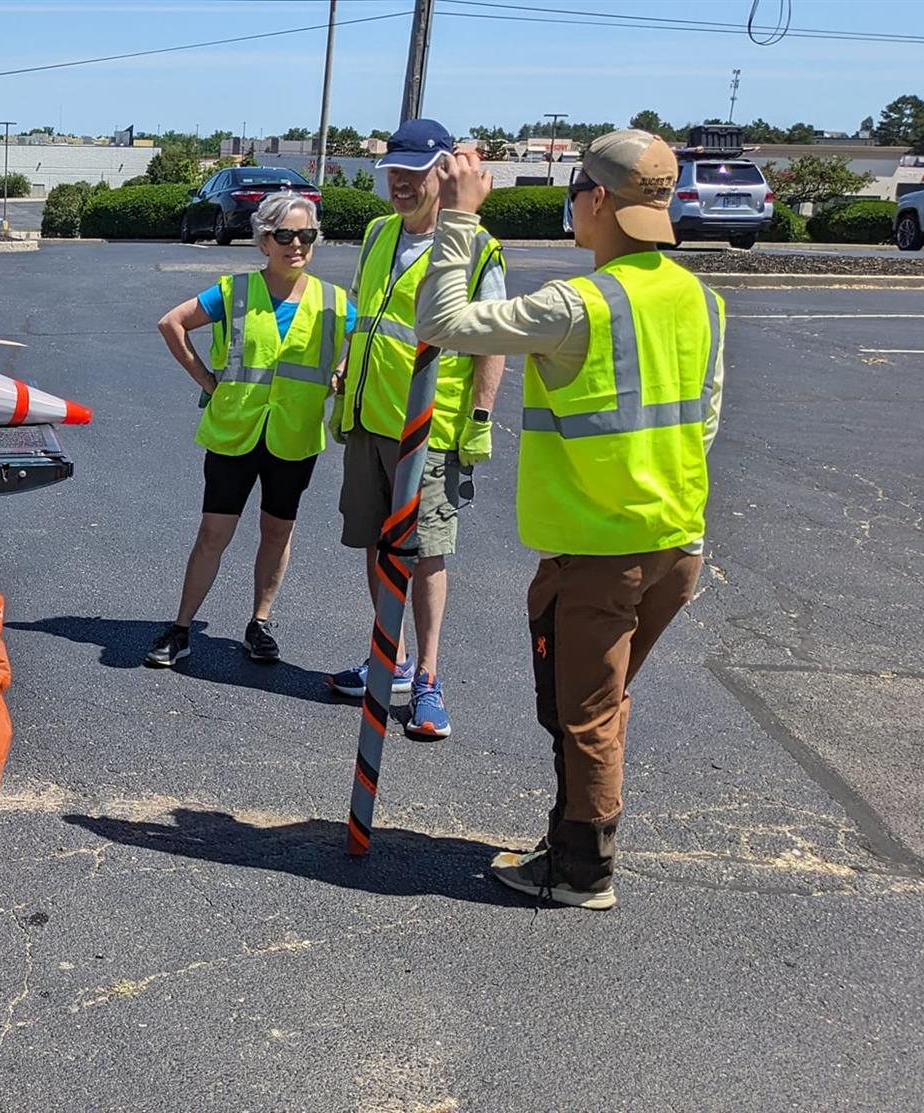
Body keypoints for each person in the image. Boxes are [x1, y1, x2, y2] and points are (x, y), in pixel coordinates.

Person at [414, 131, 727, 910]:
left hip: (599, 551)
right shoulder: (699, 299)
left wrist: (459, 217)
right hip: (676, 543)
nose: (573, 203)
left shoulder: (575, 305)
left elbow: (441, 320)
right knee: (598, 703)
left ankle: (582, 870)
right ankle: (571, 840)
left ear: (597, 201)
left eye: (576, 190)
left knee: (581, 714)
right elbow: (706, 419)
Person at [325, 118, 507, 742]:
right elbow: (364, 314)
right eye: (392, 172)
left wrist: (479, 418)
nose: (400, 183)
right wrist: (348, 363)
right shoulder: (379, 233)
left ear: (444, 173)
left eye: (413, 172)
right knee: (377, 542)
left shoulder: (476, 245)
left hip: (430, 429)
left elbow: (491, 340)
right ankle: (390, 657)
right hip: (369, 419)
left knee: (427, 553)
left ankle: (428, 678)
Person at [145, 190, 353, 668]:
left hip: (294, 436)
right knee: (213, 533)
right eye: (285, 236)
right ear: (263, 241)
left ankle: (260, 623)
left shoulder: (334, 301)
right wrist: (206, 380)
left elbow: (366, 341)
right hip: (234, 432)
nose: (296, 245)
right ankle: (181, 628)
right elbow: (172, 323)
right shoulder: (234, 292)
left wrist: (342, 370)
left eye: (306, 235)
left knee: (277, 532)